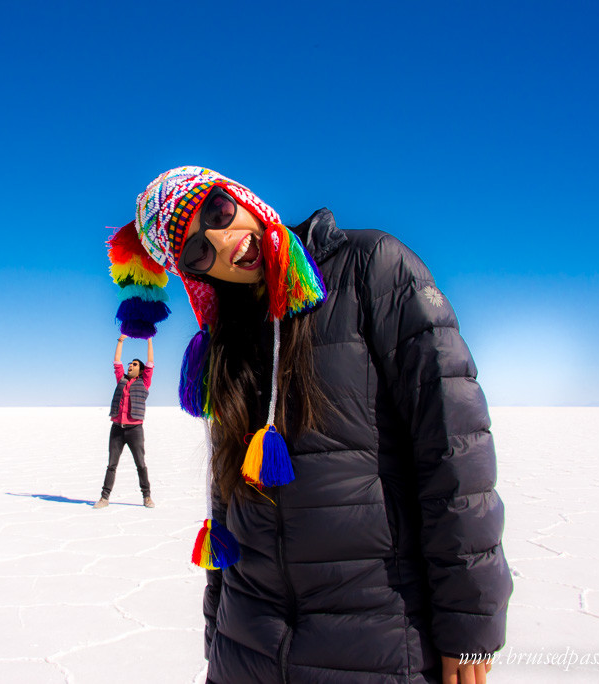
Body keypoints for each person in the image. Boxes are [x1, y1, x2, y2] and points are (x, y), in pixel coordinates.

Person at [106, 167, 512, 683]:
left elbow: (455, 451)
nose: (224, 244)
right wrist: (217, 634)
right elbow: (225, 503)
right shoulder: (227, 338)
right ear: (196, 275)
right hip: (246, 652)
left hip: (378, 644)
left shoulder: (372, 269)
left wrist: (468, 625)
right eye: (197, 254)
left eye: (217, 212)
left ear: (241, 198)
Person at [94, 334, 155, 509]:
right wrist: (121, 341)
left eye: (134, 365)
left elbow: (150, 361)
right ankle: (104, 498)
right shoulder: (121, 379)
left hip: (135, 430)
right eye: (129, 365)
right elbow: (117, 361)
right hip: (117, 429)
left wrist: (149, 340)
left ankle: (147, 496)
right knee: (111, 464)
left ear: (141, 370)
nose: (130, 366)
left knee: (140, 464)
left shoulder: (144, 381)